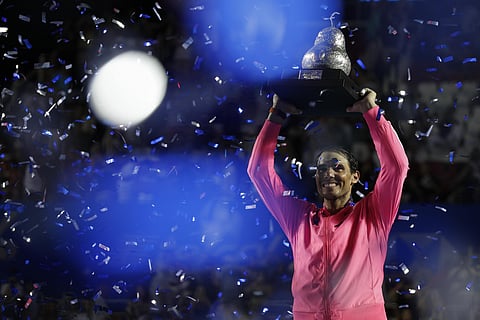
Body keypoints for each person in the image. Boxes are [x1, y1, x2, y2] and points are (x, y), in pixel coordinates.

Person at [247, 88, 409, 320]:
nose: (328, 173)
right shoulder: (299, 219)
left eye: (338, 167)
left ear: (355, 176)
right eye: (321, 169)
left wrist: (371, 112)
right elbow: (258, 171)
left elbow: (397, 167)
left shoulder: (373, 214)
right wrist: (276, 114)